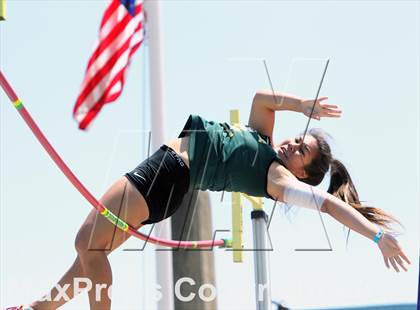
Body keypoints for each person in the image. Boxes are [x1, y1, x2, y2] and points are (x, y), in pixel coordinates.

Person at [8, 91, 411, 310]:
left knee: (87, 244)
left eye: (300, 150)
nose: (290, 143)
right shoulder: (265, 141)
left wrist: (375, 236)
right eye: (297, 137)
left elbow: (326, 205)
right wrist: (302, 104)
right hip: (167, 173)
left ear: (303, 173)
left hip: (171, 172)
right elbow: (261, 99)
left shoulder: (277, 177)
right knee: (90, 255)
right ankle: (40, 309)